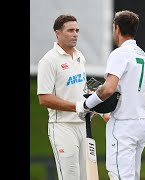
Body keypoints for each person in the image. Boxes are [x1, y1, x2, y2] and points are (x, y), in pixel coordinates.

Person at [77, 10, 145, 180]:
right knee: (132, 175)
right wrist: (105, 112)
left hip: (124, 126)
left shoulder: (120, 54)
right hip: (141, 124)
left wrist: (87, 105)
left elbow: (108, 89)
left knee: (119, 175)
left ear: (117, 29)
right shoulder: (144, 56)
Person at [37, 14, 89, 180]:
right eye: (70, 30)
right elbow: (44, 98)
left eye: (77, 30)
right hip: (62, 127)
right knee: (70, 176)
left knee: (86, 177)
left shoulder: (80, 56)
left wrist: (96, 108)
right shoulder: (49, 60)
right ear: (58, 33)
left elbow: (83, 90)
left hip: (83, 125)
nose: (75, 34)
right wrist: (77, 107)